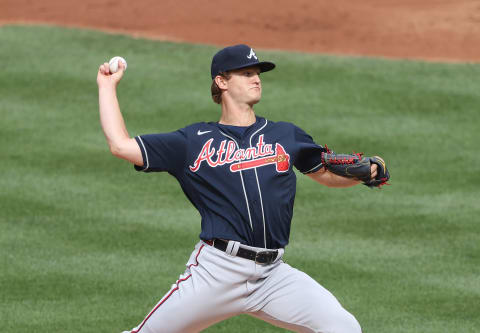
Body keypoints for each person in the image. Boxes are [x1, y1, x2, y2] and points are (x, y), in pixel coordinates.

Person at [97, 44, 389, 333]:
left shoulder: (286, 134)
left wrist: (367, 174)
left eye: (258, 72)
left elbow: (325, 173)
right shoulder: (193, 141)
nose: (257, 79)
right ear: (221, 82)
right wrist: (107, 86)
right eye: (246, 73)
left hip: (271, 275)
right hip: (217, 272)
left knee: (342, 327)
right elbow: (121, 146)